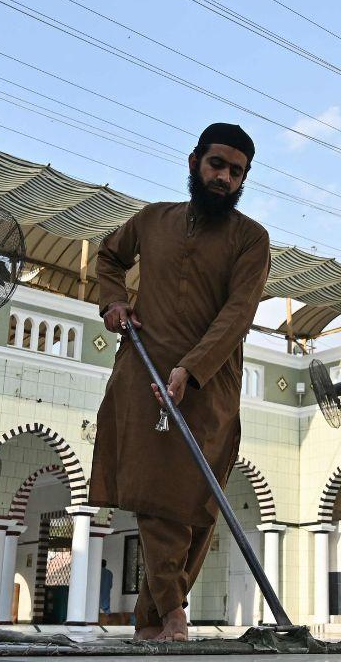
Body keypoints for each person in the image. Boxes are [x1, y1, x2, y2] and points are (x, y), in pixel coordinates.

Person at [90, 123, 270, 642]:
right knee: (155, 494)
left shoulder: (250, 238)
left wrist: (191, 369)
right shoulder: (151, 220)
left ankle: (151, 621)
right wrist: (114, 301)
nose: (224, 178)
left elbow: (239, 312)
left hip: (208, 383)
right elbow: (108, 257)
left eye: (236, 173)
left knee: (197, 502)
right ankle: (172, 613)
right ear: (195, 161)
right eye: (217, 165)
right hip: (144, 370)